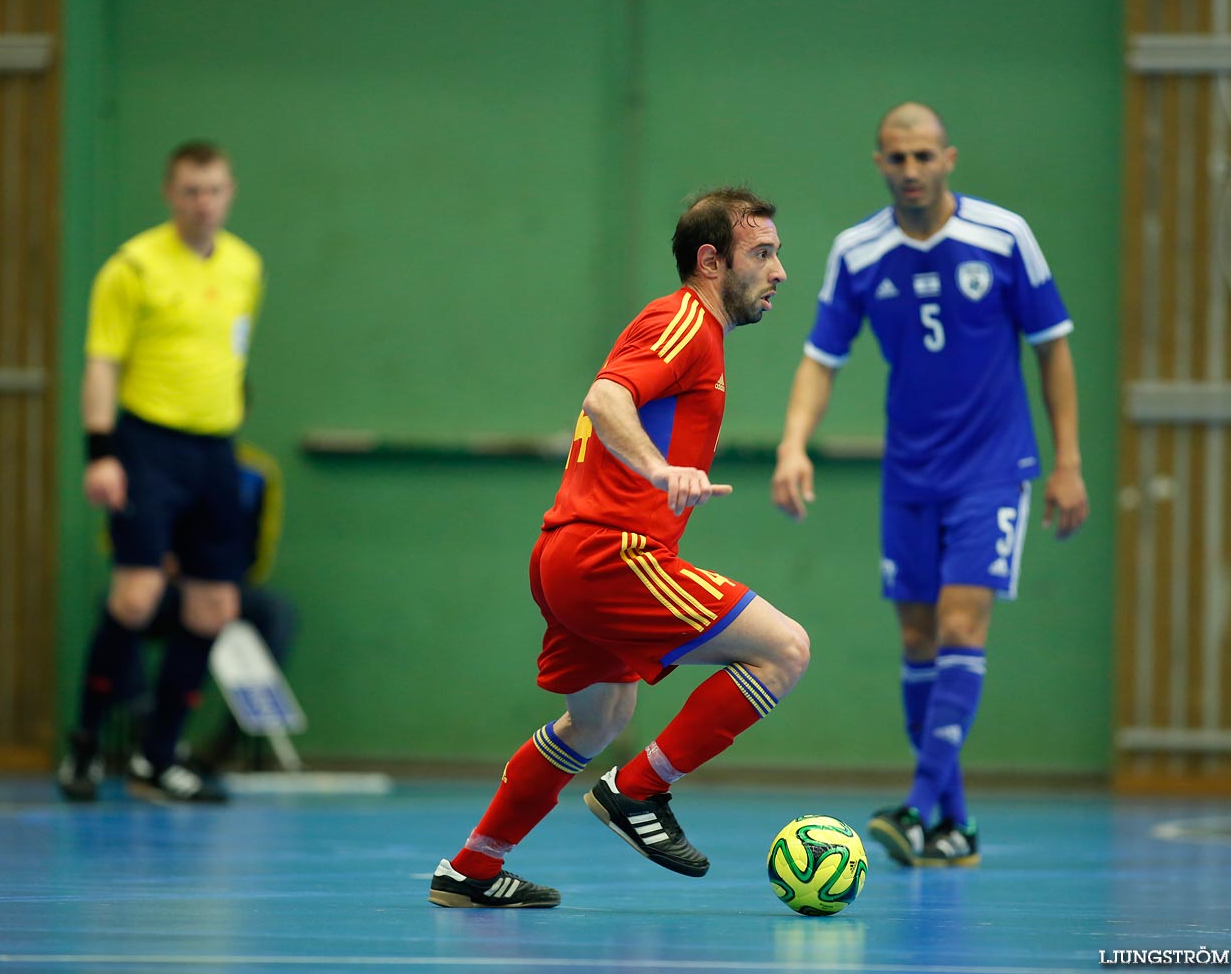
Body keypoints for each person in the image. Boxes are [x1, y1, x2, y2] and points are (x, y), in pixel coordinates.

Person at [429, 187, 809, 909]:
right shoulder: (685, 321)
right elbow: (607, 399)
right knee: (784, 650)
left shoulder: (697, 334)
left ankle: (471, 869)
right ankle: (638, 790)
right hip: (612, 555)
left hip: (568, 557)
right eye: (762, 253)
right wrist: (660, 467)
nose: (778, 270)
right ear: (710, 260)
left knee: (598, 719)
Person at [771, 103, 1089, 868]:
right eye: (895, 158)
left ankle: (915, 809)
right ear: (877, 163)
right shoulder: (858, 252)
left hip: (992, 468)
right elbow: (822, 356)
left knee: (959, 629)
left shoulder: (1004, 237)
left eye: (922, 156)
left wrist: (1067, 462)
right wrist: (792, 445)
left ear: (948, 158)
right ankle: (955, 826)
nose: (910, 170)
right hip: (910, 473)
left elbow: (1052, 348)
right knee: (917, 640)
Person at [56, 140, 264, 804]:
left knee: (214, 607)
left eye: (215, 190)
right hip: (146, 446)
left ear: (231, 192)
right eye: (190, 191)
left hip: (214, 450)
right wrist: (102, 452)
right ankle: (85, 745)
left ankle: (157, 756)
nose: (204, 204)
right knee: (136, 598)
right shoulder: (132, 268)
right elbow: (101, 363)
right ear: (169, 195)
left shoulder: (245, 266)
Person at [113, 438, 298, 776]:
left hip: (220, 580)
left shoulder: (255, 471)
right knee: (125, 609)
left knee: (276, 613)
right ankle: (145, 719)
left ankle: (228, 740)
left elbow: (258, 543)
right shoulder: (149, 464)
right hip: (165, 584)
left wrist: (220, 575)